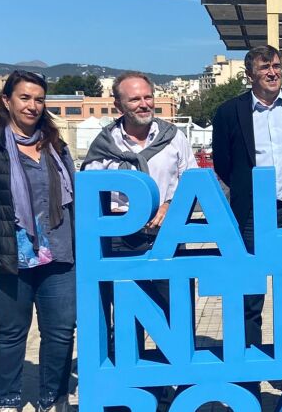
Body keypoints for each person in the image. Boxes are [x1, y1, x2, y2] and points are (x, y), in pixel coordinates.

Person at [0, 70, 76, 412]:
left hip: (59, 256)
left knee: (61, 331)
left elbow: (75, 198)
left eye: (39, 99)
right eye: (24, 98)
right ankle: (7, 400)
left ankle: (52, 398)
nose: (32, 106)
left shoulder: (56, 146)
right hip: (9, 256)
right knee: (10, 333)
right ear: (6, 100)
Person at [80, 71, 198, 397]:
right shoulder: (105, 144)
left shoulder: (174, 138)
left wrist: (171, 206)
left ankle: (179, 388)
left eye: (148, 97)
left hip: (168, 238)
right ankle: (135, 390)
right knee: (128, 317)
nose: (144, 104)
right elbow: (91, 194)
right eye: (135, 99)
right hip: (122, 241)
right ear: (118, 105)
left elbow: (191, 180)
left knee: (177, 314)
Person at [211, 45, 282, 350]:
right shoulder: (229, 112)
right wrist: (246, 191)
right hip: (250, 216)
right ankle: (250, 365)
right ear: (249, 75)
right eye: (264, 67)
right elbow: (223, 163)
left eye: (276, 66)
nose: (272, 73)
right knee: (249, 294)